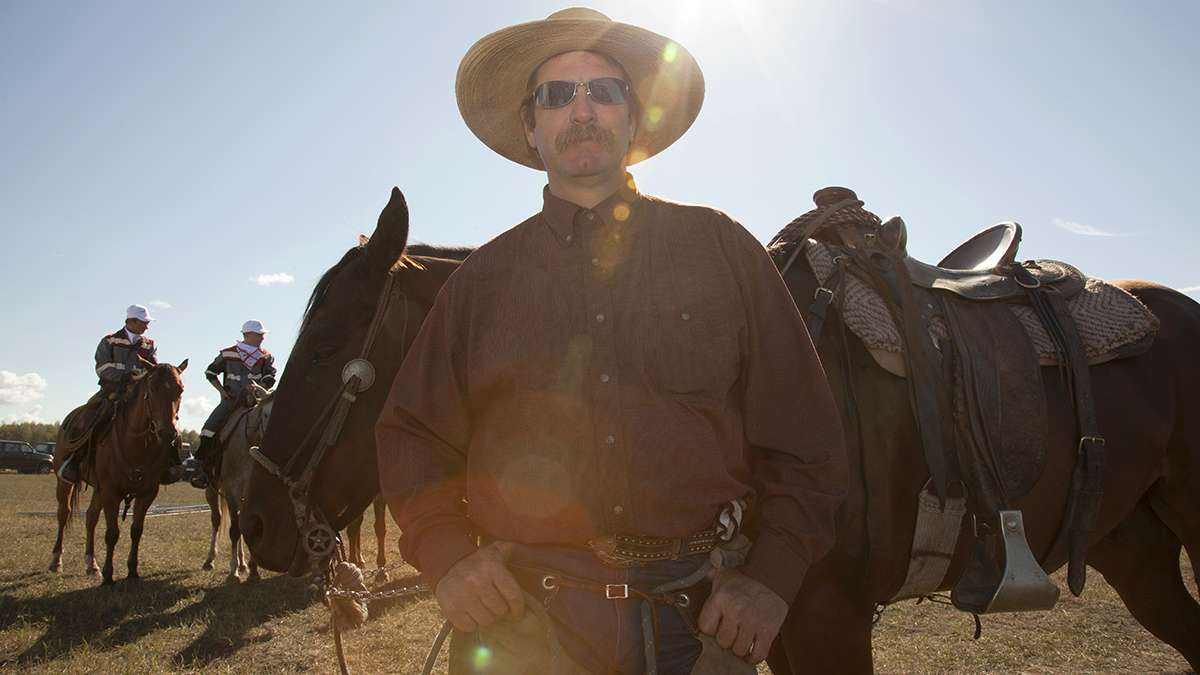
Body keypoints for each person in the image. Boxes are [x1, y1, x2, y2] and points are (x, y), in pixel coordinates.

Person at [375, 8, 848, 673]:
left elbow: (808, 439)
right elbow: (409, 434)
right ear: (531, 127)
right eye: (558, 94)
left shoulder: (724, 251)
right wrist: (446, 551)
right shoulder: (479, 284)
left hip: (700, 621)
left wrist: (770, 576)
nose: (582, 109)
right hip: (522, 629)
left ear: (633, 117)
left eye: (604, 90)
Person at [57, 304, 183, 484]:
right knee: (90, 416)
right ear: (131, 321)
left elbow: (153, 370)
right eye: (144, 322)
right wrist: (124, 378)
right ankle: (74, 461)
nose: (147, 326)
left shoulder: (149, 345)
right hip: (111, 391)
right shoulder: (109, 341)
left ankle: (170, 463)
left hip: (139, 393)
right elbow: (102, 367)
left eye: (147, 323)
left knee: (166, 422)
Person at [190, 320, 276, 489]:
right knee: (208, 429)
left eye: (263, 334)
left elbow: (269, 377)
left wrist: (261, 388)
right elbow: (210, 372)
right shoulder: (228, 353)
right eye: (258, 334)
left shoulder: (266, 356)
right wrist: (222, 392)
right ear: (246, 335)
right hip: (232, 402)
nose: (262, 337)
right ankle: (203, 471)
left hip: (255, 403)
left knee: (274, 429)